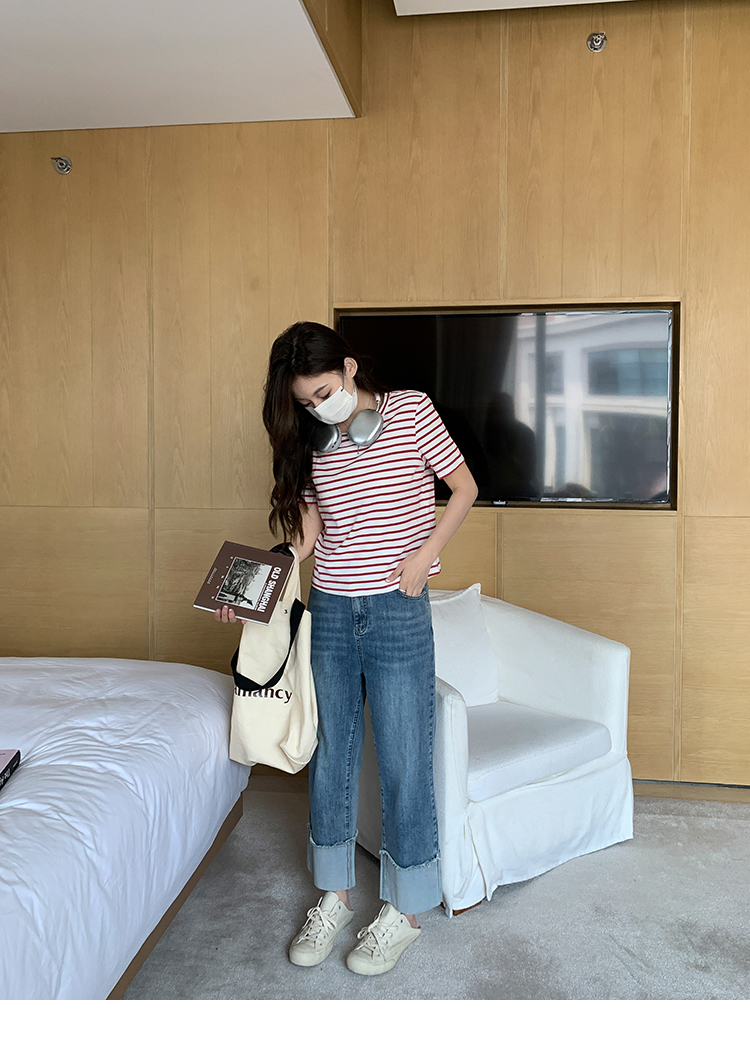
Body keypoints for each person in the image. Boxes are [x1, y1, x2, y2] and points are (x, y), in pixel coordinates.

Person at [217, 320, 477, 975]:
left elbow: (465, 488)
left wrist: (423, 556)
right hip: (331, 611)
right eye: (305, 401)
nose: (316, 407)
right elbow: (307, 535)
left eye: (323, 392)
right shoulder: (313, 440)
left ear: (350, 368)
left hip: (396, 609)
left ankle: (405, 911)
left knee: (405, 757)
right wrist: (249, 588)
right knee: (332, 756)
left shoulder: (411, 411)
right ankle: (333, 896)